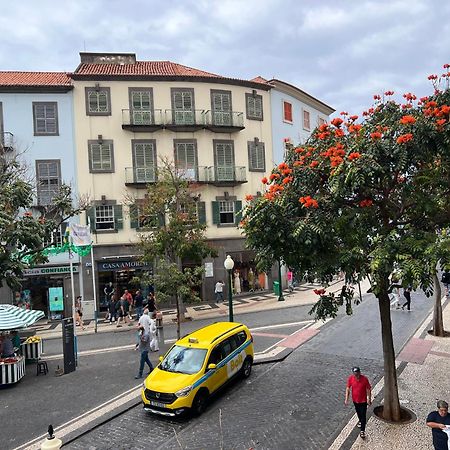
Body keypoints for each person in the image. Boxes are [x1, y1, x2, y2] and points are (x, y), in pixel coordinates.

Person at [345, 366, 372, 439]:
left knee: (363, 415)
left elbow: (368, 389)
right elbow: (348, 388)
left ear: (360, 372)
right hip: (355, 400)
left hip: (363, 401)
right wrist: (346, 399)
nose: (356, 375)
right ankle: (360, 421)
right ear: (353, 373)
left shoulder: (365, 379)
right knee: (358, 413)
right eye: (355, 374)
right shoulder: (351, 378)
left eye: (357, 373)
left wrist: (369, 399)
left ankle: (362, 431)